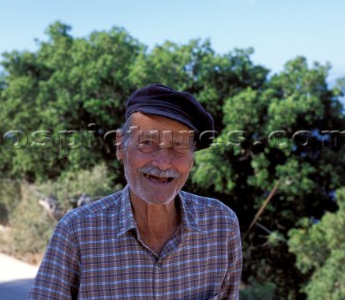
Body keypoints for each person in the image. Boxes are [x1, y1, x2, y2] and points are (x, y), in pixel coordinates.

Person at [29, 84, 243, 299]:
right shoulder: (77, 231)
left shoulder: (221, 225)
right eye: (147, 143)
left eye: (178, 147)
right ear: (121, 146)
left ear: (192, 158)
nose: (162, 163)